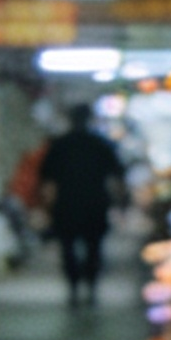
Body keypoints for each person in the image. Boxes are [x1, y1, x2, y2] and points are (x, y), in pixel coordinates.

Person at [36, 105, 128, 307]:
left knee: (68, 248)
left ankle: (74, 289)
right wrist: (121, 205)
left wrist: (45, 207)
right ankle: (91, 288)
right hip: (95, 203)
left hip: (66, 204)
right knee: (94, 248)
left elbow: (46, 180)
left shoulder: (60, 145)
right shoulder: (101, 144)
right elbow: (118, 176)